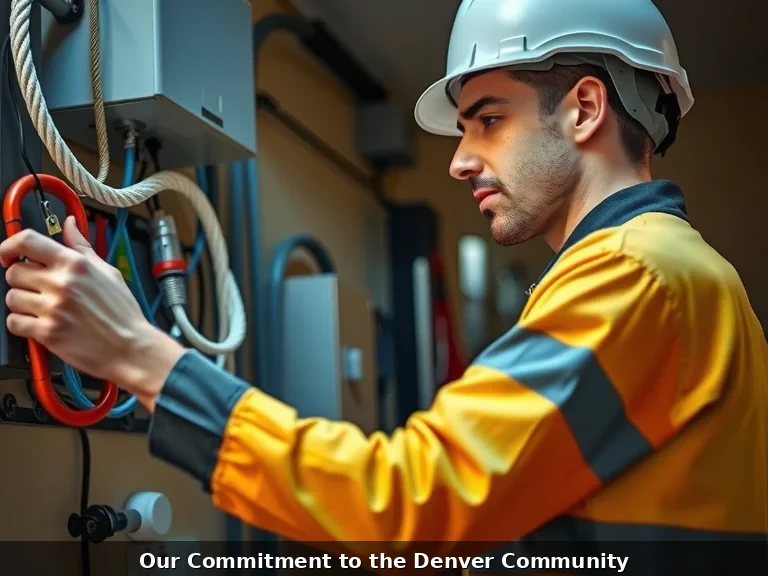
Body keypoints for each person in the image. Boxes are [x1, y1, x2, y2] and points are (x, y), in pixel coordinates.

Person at [1, 0, 766, 569]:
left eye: (488, 119)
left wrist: (138, 355)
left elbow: (410, 508)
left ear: (585, 110)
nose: (459, 160)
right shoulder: (669, 272)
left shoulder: (635, 275)